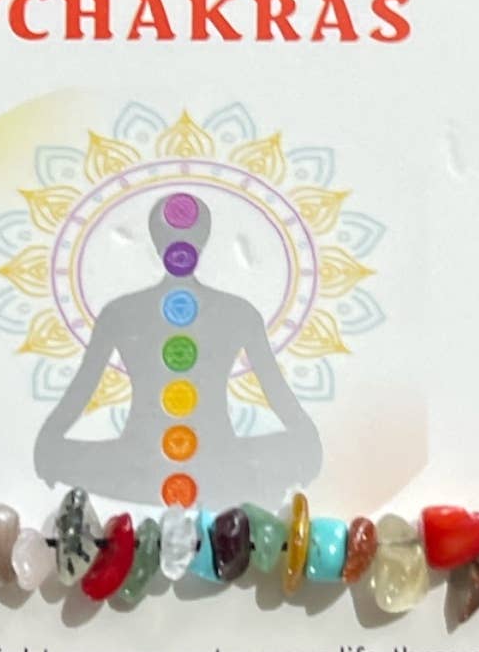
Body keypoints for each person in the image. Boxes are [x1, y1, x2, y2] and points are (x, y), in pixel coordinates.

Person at [33, 191, 322, 507]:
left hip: (148, 461)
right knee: (285, 451)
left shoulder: (120, 311)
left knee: (65, 454)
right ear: (204, 238)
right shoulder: (239, 312)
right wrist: (306, 446)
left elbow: (78, 395)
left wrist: (48, 446)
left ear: (155, 239)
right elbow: (281, 399)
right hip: (194, 461)